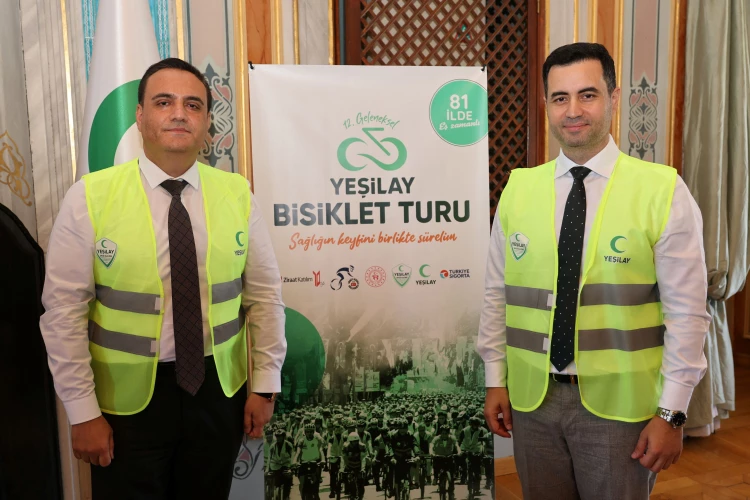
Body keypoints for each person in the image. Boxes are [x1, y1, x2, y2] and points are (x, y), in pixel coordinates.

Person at [39, 58, 287, 499]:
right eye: (163, 102)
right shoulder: (89, 198)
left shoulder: (236, 194)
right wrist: (82, 412)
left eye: (193, 105)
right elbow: (63, 313)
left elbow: (265, 297)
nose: (179, 113)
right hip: (124, 405)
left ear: (207, 122)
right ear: (140, 116)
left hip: (218, 394)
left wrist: (265, 386)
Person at [478, 42, 710, 499]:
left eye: (588, 95)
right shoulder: (519, 189)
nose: (573, 111)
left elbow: (687, 315)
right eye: (560, 97)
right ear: (546, 105)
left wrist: (672, 414)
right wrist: (494, 379)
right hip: (533, 402)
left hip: (622, 409)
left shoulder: (662, 191)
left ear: (614, 97)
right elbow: (495, 296)